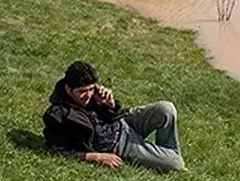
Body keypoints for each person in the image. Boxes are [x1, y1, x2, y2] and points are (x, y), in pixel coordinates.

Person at [42, 60, 185, 172]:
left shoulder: (93, 93)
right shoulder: (57, 115)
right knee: (176, 164)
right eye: (82, 91)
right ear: (68, 89)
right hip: (118, 144)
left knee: (166, 108)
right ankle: (166, 156)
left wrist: (111, 104)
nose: (88, 95)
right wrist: (95, 157)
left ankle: (164, 153)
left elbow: (115, 113)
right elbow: (56, 149)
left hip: (123, 122)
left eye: (91, 89)